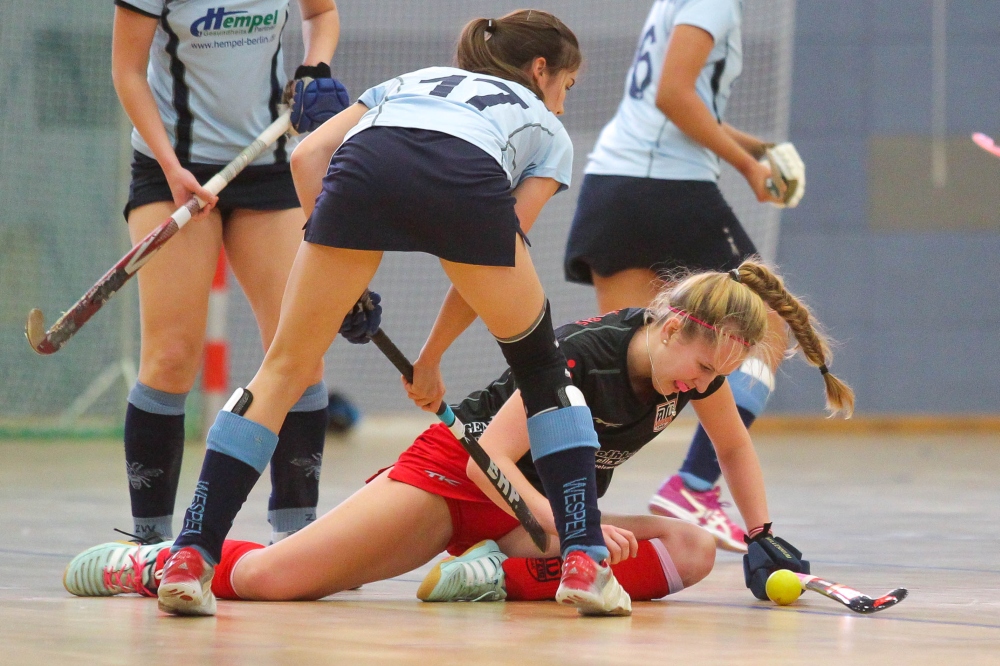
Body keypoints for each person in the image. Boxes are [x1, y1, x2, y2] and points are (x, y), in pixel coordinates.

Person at [139, 9, 634, 618]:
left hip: (361, 173)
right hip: (468, 179)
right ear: (540, 70)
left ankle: (190, 556)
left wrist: (336, 263)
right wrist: (430, 360)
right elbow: (494, 262)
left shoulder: (408, 80)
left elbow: (306, 158)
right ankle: (585, 561)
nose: (562, 101)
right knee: (544, 377)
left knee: (281, 371)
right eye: (567, 85)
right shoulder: (548, 130)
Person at [63, 261, 852, 614]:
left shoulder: (693, 374)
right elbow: (492, 458)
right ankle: (154, 562)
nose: (700, 386)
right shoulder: (584, 356)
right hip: (458, 478)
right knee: (275, 582)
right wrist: (567, 527)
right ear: (672, 325)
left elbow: (734, 448)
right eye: (702, 368)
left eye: (716, 377)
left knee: (693, 549)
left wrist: (762, 535)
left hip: (539, 513)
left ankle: (493, 579)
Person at [562, 0, 807, 551]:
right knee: (764, 323)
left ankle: (561, 519)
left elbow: (679, 100)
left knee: (624, 363)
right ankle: (695, 484)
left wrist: (758, 148)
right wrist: (748, 167)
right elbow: (673, 96)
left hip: (613, 185)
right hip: (665, 184)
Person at [112, 0, 351, 546]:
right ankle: (149, 545)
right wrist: (171, 166)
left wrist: (314, 68)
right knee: (171, 357)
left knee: (301, 352)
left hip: (267, 164)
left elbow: (322, 14)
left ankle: (295, 540)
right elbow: (127, 71)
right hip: (172, 167)